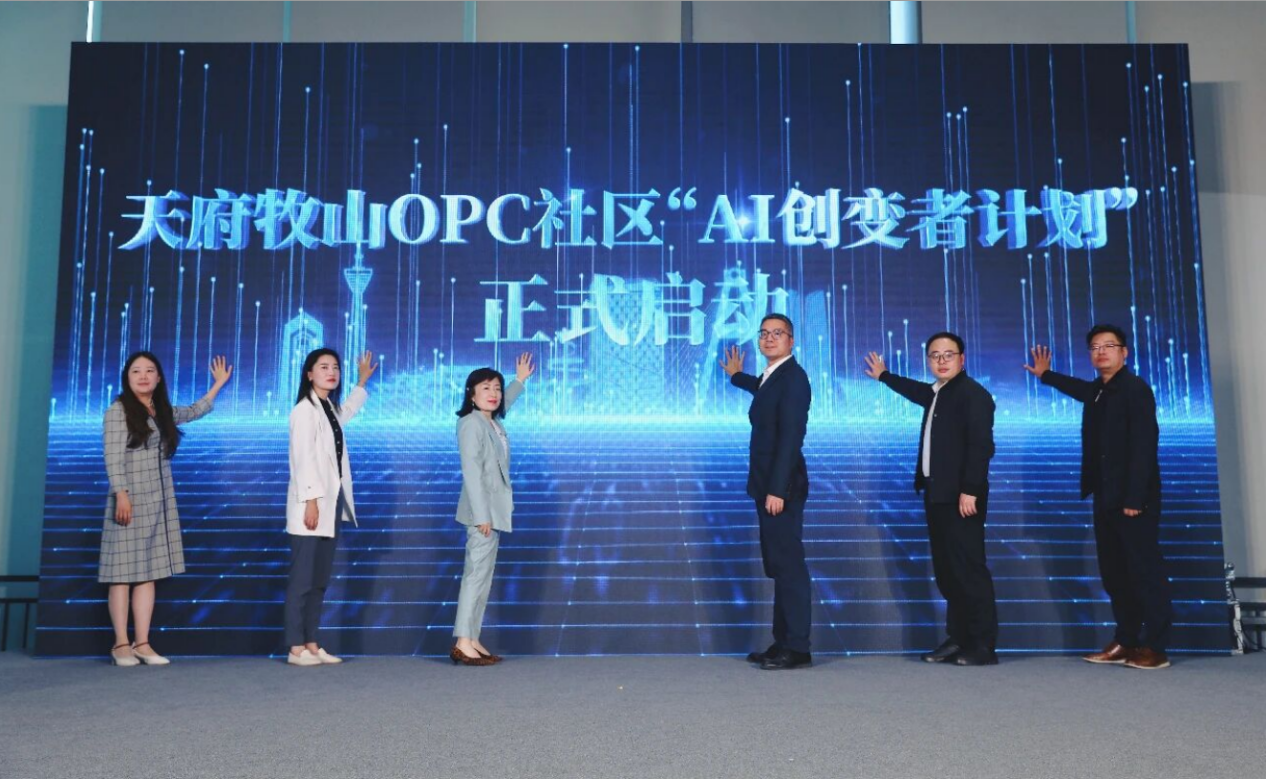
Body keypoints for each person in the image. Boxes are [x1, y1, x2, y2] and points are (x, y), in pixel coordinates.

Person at [1025, 325, 1173, 670]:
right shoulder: (1099, 390)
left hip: (1134, 500)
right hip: (1106, 496)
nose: (1101, 352)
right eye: (1094, 347)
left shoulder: (1135, 389)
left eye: (1109, 346)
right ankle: (1126, 640)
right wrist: (1046, 375)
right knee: (1115, 574)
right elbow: (1079, 389)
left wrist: (1134, 498)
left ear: (1124, 352)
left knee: (1144, 572)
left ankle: (1155, 646)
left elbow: (1144, 447)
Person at [865, 333, 999, 666]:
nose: (941, 361)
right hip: (937, 494)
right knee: (948, 572)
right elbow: (916, 391)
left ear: (962, 359)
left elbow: (981, 447)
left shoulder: (974, 395)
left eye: (948, 355)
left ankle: (982, 645)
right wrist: (884, 376)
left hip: (962, 499)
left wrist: (970, 489)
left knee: (969, 571)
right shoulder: (938, 393)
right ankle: (959, 638)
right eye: (934, 355)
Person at [101, 352, 233, 666]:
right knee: (121, 574)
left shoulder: (161, 410)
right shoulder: (118, 410)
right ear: (127, 378)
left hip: (158, 502)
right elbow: (112, 456)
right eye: (136, 371)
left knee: (149, 572)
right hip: (129, 501)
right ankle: (120, 644)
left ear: (159, 378)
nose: (143, 376)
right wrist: (121, 494)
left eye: (150, 371)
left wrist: (218, 385)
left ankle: (142, 643)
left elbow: (194, 411)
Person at [721, 314, 813, 670]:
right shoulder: (774, 376)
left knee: (789, 568)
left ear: (791, 341)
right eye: (764, 334)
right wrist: (736, 376)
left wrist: (778, 490)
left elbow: (791, 437)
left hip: (780, 490)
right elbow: (760, 387)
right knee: (778, 565)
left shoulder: (794, 378)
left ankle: (798, 647)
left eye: (778, 333)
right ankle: (783, 641)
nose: (769, 339)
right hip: (767, 486)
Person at [284, 348, 377, 667]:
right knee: (302, 581)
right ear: (309, 374)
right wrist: (311, 501)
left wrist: (361, 382)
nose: (331, 372)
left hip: (330, 504)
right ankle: (295, 647)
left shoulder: (327, 408)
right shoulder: (303, 411)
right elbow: (302, 459)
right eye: (323, 367)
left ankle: (312, 643)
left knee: (319, 580)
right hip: (311, 506)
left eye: (335, 367)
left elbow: (346, 411)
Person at [451, 353, 535, 666]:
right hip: (482, 514)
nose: (494, 393)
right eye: (486, 387)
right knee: (475, 577)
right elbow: (471, 471)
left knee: (483, 578)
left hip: (493, 512)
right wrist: (482, 515)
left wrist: (519, 381)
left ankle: (472, 638)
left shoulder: (491, 422)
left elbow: (504, 404)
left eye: (497, 388)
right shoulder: (470, 423)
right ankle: (462, 642)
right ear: (471, 394)